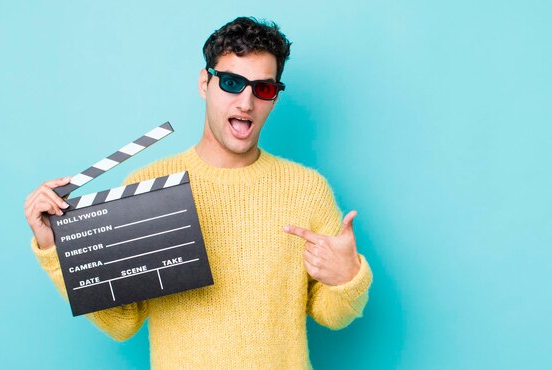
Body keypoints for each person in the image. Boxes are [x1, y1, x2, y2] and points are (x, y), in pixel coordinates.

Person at [24, 16, 372, 369]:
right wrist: (57, 250)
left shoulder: (306, 189)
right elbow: (122, 321)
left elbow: (332, 315)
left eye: (263, 89)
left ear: (274, 97)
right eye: (232, 83)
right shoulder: (148, 185)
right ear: (205, 82)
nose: (246, 102)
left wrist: (347, 277)